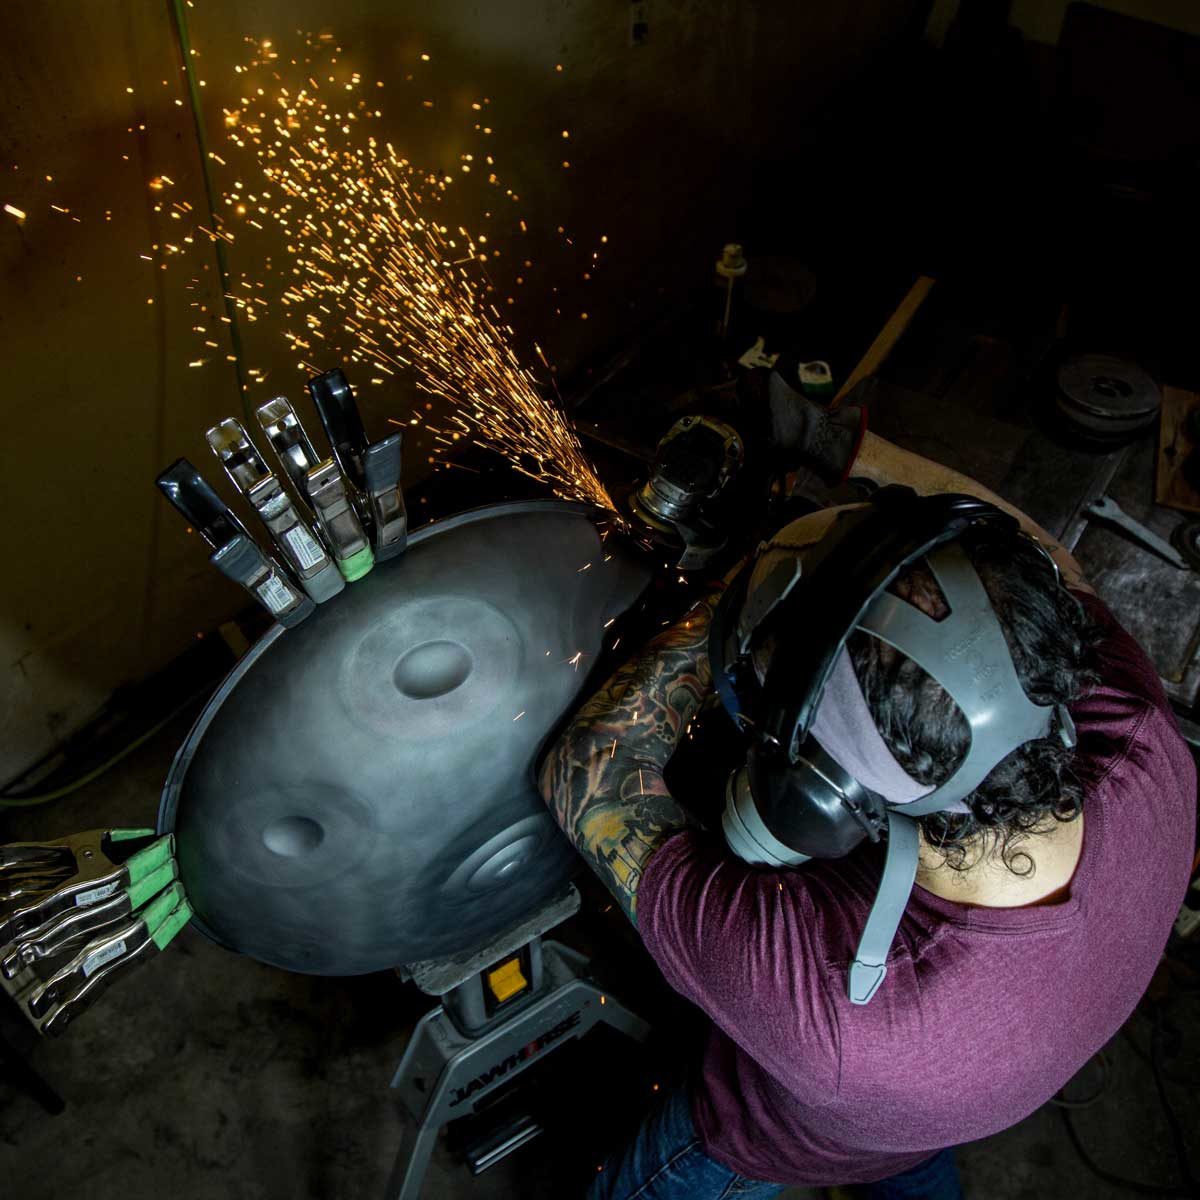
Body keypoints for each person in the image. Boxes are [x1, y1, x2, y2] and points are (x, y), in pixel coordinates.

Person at [538, 373, 1197, 1199]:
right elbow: (1036, 553)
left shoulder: (840, 1007)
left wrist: (755, 586)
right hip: (948, 1097)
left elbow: (584, 770)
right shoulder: (1134, 730)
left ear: (821, 796)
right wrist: (828, 442)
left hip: (778, 1138)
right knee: (911, 1142)